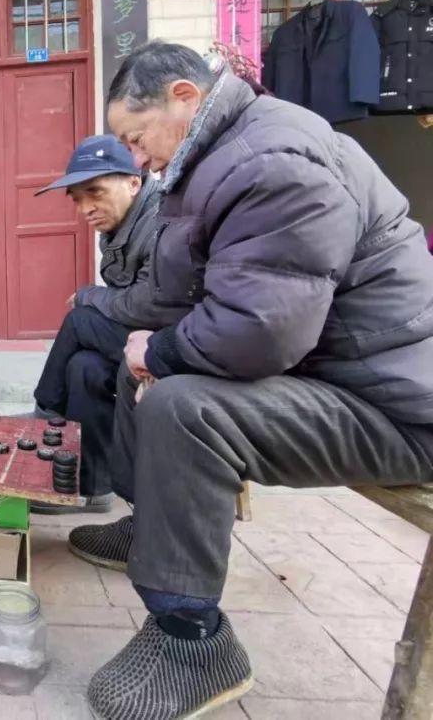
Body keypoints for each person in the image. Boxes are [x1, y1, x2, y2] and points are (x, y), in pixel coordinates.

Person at [72, 40, 433, 720]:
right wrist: (124, 326)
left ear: (184, 98)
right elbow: (175, 294)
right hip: (329, 372)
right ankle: (149, 528)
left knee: (184, 406)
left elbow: (264, 328)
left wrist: (165, 352)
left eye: (136, 138)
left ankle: (192, 641)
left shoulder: (272, 159)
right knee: (135, 360)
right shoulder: (214, 160)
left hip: (389, 399)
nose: (137, 158)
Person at [30, 134, 181, 514]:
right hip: (139, 339)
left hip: (177, 343)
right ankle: (91, 488)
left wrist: (88, 295)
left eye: (95, 192)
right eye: (77, 199)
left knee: (81, 319)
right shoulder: (118, 227)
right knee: (85, 367)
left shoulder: (161, 221)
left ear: (134, 181)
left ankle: (43, 416)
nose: (85, 208)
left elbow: (151, 304)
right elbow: (124, 302)